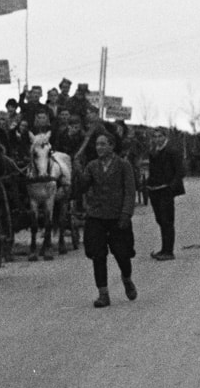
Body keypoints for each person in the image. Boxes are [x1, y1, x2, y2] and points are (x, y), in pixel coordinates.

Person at [73, 131, 138, 308]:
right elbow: (83, 187)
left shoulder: (123, 165)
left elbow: (130, 192)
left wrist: (126, 214)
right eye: (97, 144)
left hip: (117, 217)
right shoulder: (92, 166)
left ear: (112, 146)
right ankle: (103, 294)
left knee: (122, 254)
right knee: (98, 255)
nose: (99, 148)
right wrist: (78, 170)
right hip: (96, 216)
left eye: (103, 144)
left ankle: (127, 279)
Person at [143, 128, 186, 260]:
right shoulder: (153, 152)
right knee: (160, 219)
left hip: (166, 189)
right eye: (155, 136)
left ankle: (169, 251)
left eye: (160, 136)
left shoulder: (172, 151)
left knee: (167, 220)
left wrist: (171, 187)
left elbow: (180, 171)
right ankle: (164, 249)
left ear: (165, 137)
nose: (157, 139)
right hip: (154, 189)